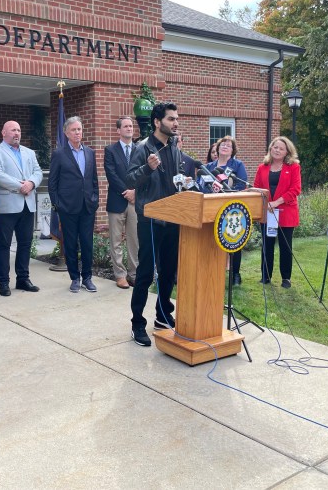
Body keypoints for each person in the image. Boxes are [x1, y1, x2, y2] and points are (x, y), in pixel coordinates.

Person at [126, 102, 196, 347]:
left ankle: (163, 315)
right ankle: (137, 323)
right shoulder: (142, 148)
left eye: (176, 118)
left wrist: (184, 182)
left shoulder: (174, 146)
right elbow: (130, 179)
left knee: (168, 271)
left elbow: (172, 178)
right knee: (146, 273)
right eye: (171, 119)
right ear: (157, 122)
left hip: (173, 217)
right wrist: (148, 167)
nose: (175, 123)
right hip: (150, 219)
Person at [0, 120, 43, 296]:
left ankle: (23, 279)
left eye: (18, 130)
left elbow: (38, 172)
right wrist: (21, 186)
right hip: (6, 206)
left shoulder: (29, 152)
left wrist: (31, 183)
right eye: (13, 130)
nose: (17, 133)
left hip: (27, 204)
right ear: (3, 133)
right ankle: (3, 282)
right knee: (4, 244)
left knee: (25, 244)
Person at [49, 116, 99, 293]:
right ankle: (75, 278)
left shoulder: (90, 152)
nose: (77, 132)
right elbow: (52, 183)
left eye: (79, 129)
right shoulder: (59, 154)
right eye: (73, 130)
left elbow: (94, 180)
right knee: (70, 244)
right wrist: (57, 204)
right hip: (67, 208)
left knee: (87, 244)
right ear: (66, 133)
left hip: (87, 207)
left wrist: (95, 200)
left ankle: (87, 278)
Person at [253, 136, 302, 288]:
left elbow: (295, 189)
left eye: (281, 148)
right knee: (267, 245)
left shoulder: (293, 167)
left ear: (287, 152)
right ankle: (265, 276)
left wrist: (277, 202)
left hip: (286, 212)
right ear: (271, 148)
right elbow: (256, 187)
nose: (277, 150)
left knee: (285, 246)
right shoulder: (262, 167)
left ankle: (286, 278)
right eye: (275, 147)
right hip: (267, 212)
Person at [205, 136, 249, 285]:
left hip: (231, 209)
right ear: (217, 148)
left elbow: (241, 185)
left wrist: (226, 190)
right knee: (212, 241)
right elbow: (202, 185)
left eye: (228, 145)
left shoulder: (237, 165)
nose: (225, 146)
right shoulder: (209, 166)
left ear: (232, 151)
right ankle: (213, 272)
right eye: (222, 144)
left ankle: (235, 274)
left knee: (232, 240)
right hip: (211, 207)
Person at [104, 116, 139, 289]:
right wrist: (127, 192)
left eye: (131, 126)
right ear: (118, 130)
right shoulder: (110, 150)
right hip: (117, 201)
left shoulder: (140, 150)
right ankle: (120, 275)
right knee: (116, 241)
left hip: (135, 202)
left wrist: (135, 192)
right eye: (125, 126)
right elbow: (111, 174)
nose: (129, 128)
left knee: (134, 240)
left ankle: (134, 274)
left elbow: (145, 173)